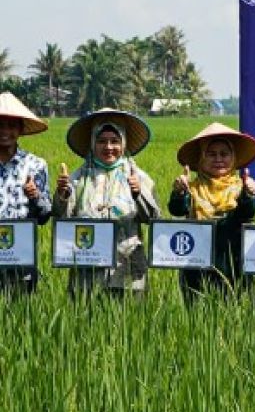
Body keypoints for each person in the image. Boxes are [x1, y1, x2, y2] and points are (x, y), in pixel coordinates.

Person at [52, 108, 160, 296]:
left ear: (123, 143)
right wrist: (62, 195)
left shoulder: (138, 176)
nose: (108, 147)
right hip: (87, 270)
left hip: (127, 270)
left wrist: (138, 193)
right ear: (93, 143)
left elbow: (154, 218)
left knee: (130, 323)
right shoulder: (78, 178)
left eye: (114, 141)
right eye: (102, 141)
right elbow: (63, 219)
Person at [169, 122, 255, 300]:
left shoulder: (242, 187)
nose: (218, 159)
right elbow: (178, 210)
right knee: (198, 315)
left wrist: (248, 196)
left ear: (233, 158)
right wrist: (179, 193)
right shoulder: (192, 188)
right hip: (196, 263)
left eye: (224, 154)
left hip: (235, 261)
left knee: (238, 309)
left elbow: (247, 214)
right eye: (211, 154)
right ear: (201, 158)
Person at [0, 93, 52, 294]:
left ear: (21, 129)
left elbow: (45, 216)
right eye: (0, 124)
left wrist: (35, 197)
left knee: (22, 319)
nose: (5, 131)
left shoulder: (35, 165)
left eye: (11, 125)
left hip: (21, 260)